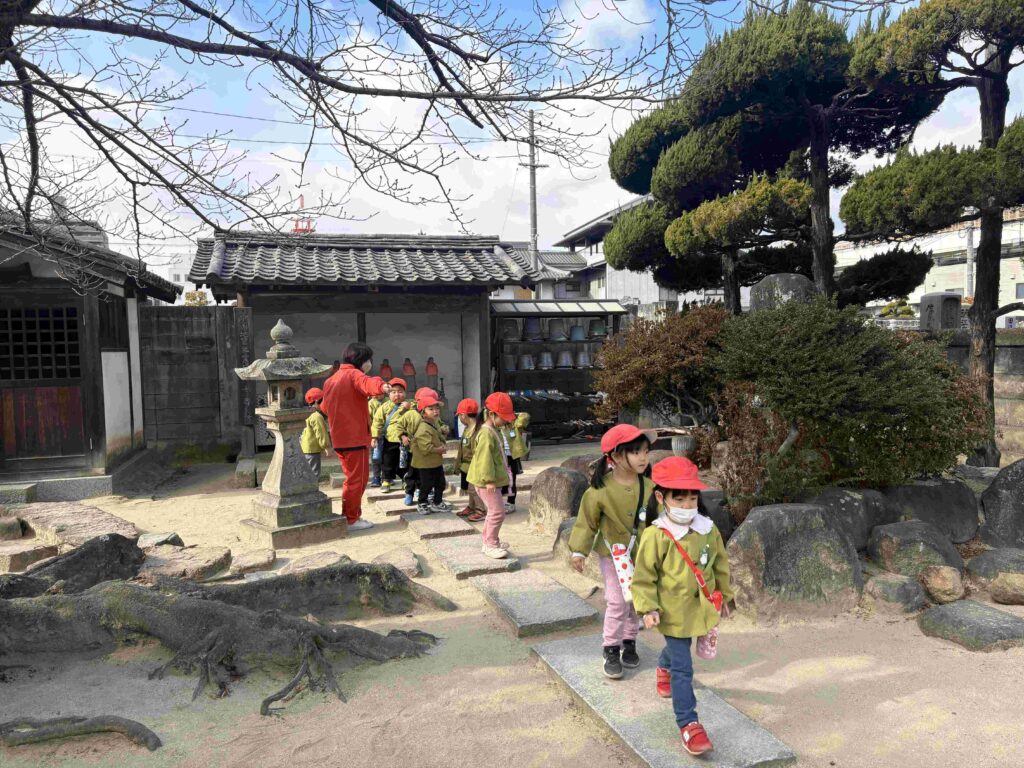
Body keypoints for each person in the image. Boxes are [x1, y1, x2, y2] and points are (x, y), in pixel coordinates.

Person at [632, 456, 734, 757]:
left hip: (702, 607)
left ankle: (663, 666)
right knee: (684, 666)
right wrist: (647, 607)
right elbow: (644, 577)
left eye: (692, 497)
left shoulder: (708, 529)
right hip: (671, 610)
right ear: (661, 497)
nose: (687, 505)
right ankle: (688, 723)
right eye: (679, 498)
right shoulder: (656, 535)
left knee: (681, 649)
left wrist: (726, 596)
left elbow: (720, 565)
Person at [568, 423, 656, 680]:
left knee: (636, 602)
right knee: (618, 602)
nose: (643, 457)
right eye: (636, 452)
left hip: (642, 555)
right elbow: (587, 523)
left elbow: (660, 521)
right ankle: (611, 649)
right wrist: (579, 551)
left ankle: (630, 642)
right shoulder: (599, 491)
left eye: (645, 451)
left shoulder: (651, 487)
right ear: (615, 456)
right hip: (613, 555)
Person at [322, 343, 389, 531]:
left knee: (352, 479)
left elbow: (324, 408)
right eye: (368, 359)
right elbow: (369, 384)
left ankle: (350, 516)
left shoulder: (331, 380)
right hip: (355, 438)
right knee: (356, 481)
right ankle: (351, 519)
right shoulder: (354, 374)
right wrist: (382, 386)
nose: (370, 363)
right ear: (362, 360)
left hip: (340, 438)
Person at [467, 392, 516, 559]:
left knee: (493, 512)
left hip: (487, 480)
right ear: (492, 414)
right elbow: (484, 458)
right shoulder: (487, 433)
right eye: (504, 417)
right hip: (486, 481)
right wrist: (488, 480)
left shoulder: (491, 429)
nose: (506, 421)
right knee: (497, 513)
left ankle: (488, 541)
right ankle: (491, 544)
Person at [410, 391, 450, 514]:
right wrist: (439, 449)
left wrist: (443, 437)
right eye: (431, 409)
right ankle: (422, 503)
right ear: (423, 413)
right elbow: (426, 448)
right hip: (425, 463)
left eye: (437, 408)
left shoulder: (434, 424)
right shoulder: (423, 428)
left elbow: (438, 437)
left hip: (435, 462)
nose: (435, 411)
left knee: (440, 483)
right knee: (426, 484)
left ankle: (437, 502)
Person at [370, 378, 410, 493]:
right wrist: (374, 437)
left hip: (406, 440)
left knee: (405, 462)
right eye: (393, 392)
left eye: (400, 392)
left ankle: (406, 480)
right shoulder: (384, 407)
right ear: (389, 394)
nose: (397, 394)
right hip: (390, 440)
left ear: (405, 393)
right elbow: (377, 422)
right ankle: (386, 480)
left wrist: (409, 408)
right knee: (387, 461)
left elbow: (417, 416)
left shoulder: (410, 405)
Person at [454, 398, 487, 521]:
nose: (459, 419)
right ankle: (471, 507)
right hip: (466, 466)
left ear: (463, 415)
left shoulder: (478, 430)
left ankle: (480, 510)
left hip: (474, 466)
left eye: (459, 416)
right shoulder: (468, 428)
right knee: (469, 489)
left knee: (474, 489)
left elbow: (478, 453)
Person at [500, 410, 530, 513]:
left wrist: (513, 415)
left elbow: (525, 417)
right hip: (500, 456)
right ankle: (499, 503)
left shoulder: (514, 424)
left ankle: (511, 503)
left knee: (511, 480)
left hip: (511, 457)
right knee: (500, 480)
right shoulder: (496, 426)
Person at [300, 387, 331, 480]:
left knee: (307, 472)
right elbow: (321, 433)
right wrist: (326, 447)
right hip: (313, 449)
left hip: (305, 446)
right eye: (322, 401)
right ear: (317, 401)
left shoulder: (306, 413)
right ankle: (312, 488)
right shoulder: (317, 416)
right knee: (314, 473)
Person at [368, 392, 388, 488]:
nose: (376, 395)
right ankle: (376, 477)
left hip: (388, 433)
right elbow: (369, 419)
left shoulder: (388, 401)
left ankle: (386, 477)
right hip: (376, 434)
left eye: (379, 393)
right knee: (376, 457)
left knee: (387, 457)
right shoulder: (370, 403)